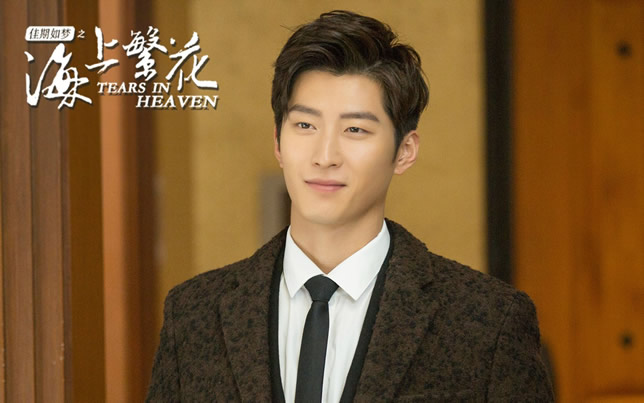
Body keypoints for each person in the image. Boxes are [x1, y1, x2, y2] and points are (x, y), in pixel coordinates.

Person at [146, 10, 554, 402]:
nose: (325, 156)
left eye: (355, 129)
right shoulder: (193, 313)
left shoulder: (488, 321)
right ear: (278, 141)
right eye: (305, 125)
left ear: (405, 151)